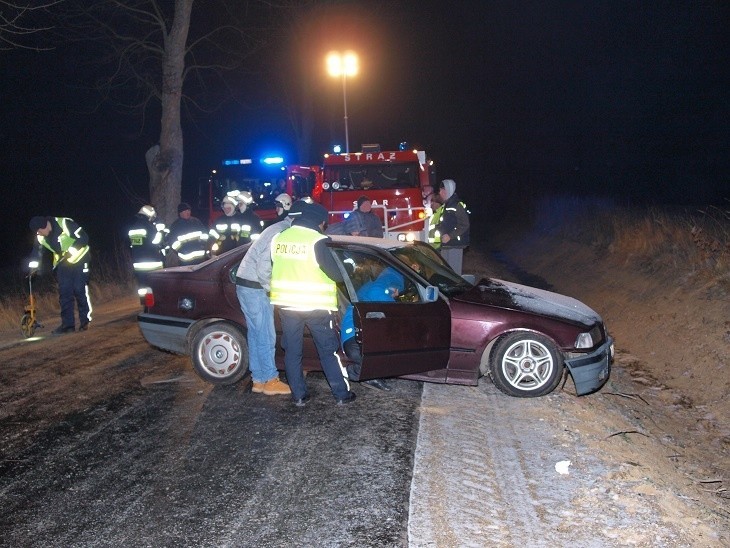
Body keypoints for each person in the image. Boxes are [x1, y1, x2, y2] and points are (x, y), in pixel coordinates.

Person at [270, 202, 356, 407]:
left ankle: (299, 395)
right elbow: (337, 274)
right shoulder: (318, 241)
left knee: (292, 351)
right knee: (328, 351)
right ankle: (341, 394)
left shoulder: (279, 238)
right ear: (321, 221)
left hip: (287, 305)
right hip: (316, 305)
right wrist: (350, 264)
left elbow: (278, 265)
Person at [233, 198, 306, 396]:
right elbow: (264, 265)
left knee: (257, 333)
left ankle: (259, 379)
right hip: (255, 287)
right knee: (266, 334)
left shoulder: (278, 227)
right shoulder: (282, 232)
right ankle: (271, 380)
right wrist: (270, 289)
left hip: (247, 284)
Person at [340, 266, 405, 391]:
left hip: (359, 336)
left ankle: (370, 374)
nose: (397, 294)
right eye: (397, 290)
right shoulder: (382, 283)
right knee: (372, 357)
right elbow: (378, 292)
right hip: (353, 337)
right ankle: (350, 372)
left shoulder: (377, 284)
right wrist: (398, 308)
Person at [28, 215, 92, 334]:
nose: (39, 234)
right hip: (63, 264)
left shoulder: (64, 223)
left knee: (79, 289)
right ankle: (68, 326)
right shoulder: (40, 236)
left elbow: (84, 238)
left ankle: (85, 321)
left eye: (39, 231)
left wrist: (70, 251)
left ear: (44, 225)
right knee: (65, 293)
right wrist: (33, 268)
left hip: (81, 259)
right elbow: (36, 252)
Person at [429, 179, 470, 274]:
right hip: (446, 244)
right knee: (446, 272)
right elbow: (447, 223)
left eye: (443, 190)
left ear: (449, 190)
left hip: (455, 244)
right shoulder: (446, 205)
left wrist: (450, 236)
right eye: (440, 190)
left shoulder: (457, 205)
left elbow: (464, 224)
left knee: (454, 273)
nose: (440, 192)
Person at [128, 205, 165, 285]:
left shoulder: (133, 228)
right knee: (155, 289)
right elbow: (156, 242)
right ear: (150, 214)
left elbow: (135, 245)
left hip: (138, 265)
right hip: (153, 264)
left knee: (143, 289)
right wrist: (161, 232)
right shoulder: (149, 227)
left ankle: (143, 298)